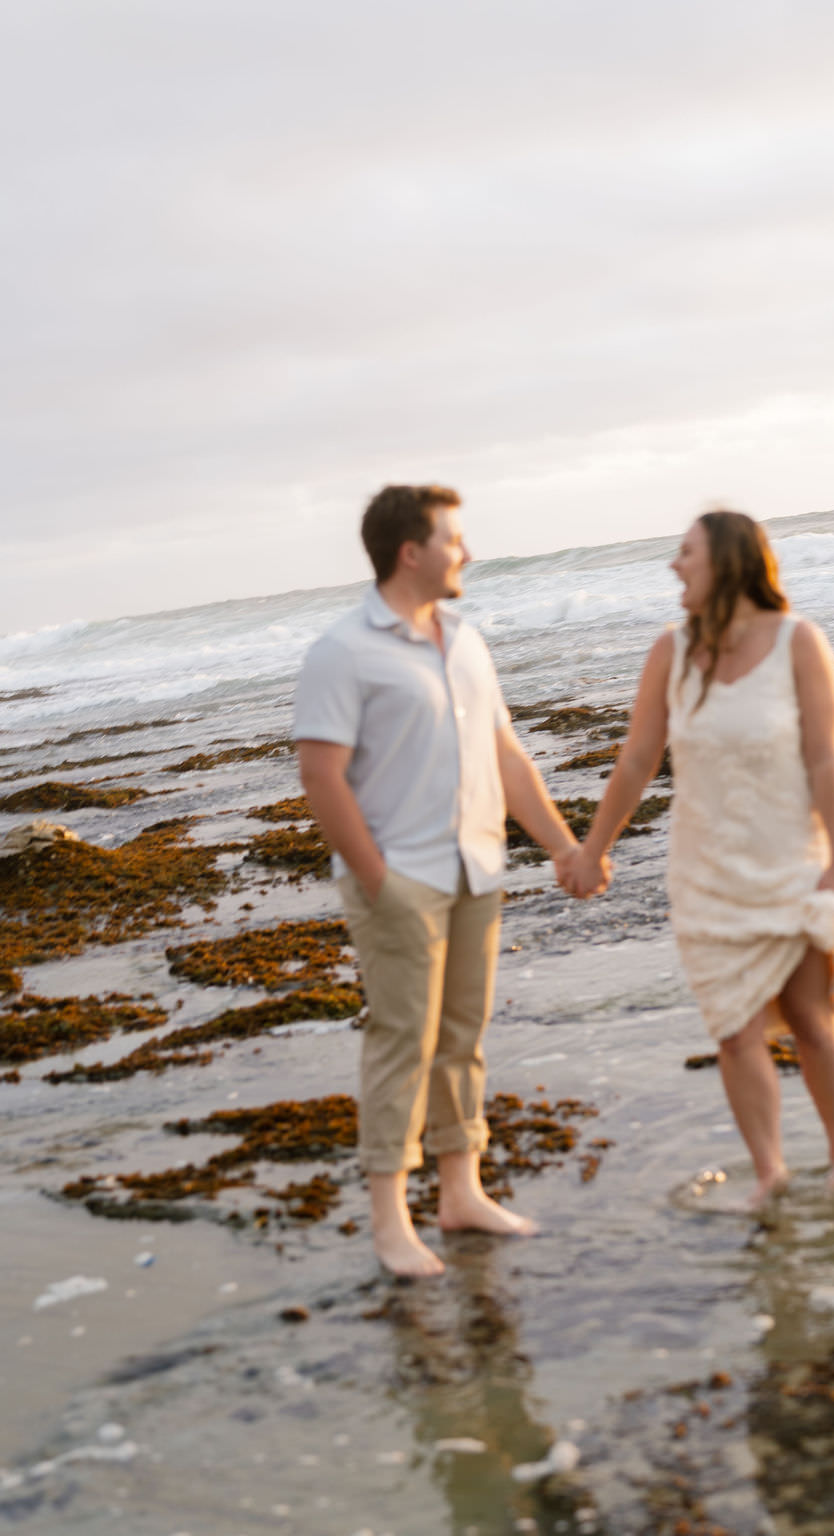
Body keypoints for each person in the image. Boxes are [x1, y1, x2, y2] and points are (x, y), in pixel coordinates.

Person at [294, 484, 604, 1277]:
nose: (465, 552)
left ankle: (461, 1193)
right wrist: (375, 876)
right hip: (401, 878)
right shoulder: (343, 651)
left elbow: (507, 756)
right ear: (411, 552)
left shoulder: (465, 639)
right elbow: (321, 776)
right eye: (453, 539)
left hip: (478, 866)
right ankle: (391, 1221)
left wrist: (566, 849)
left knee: (463, 1037)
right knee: (404, 1040)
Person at [566, 509, 834, 1203]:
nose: (674, 566)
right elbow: (637, 760)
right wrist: (592, 849)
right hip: (706, 876)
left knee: (811, 1020)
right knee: (734, 1032)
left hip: (792, 862)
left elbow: (826, 761)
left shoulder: (800, 643)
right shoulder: (669, 653)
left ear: (729, 562)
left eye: (686, 553)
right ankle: (771, 1176)